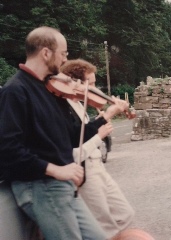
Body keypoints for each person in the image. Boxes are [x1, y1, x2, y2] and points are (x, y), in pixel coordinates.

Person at [0, 26, 128, 240]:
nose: (65, 60)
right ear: (46, 53)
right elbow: (7, 149)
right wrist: (57, 170)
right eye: (63, 54)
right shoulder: (16, 91)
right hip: (40, 187)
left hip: (62, 185)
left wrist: (105, 116)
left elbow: (69, 136)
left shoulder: (52, 90)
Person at [60, 59, 135, 239]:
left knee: (125, 214)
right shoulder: (65, 109)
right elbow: (73, 148)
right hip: (86, 170)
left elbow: (87, 130)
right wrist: (99, 134)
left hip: (98, 166)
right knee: (104, 224)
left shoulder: (80, 105)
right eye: (91, 84)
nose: (95, 89)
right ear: (76, 83)